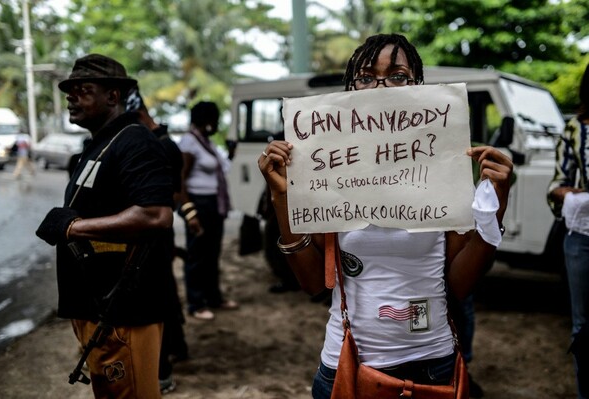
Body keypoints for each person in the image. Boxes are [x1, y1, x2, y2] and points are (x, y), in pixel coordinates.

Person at [258, 33, 513, 399]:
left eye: (397, 76)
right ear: (351, 87)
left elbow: (460, 284)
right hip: (348, 364)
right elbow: (314, 282)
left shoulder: (442, 164)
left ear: (417, 85)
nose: (381, 87)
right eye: (366, 77)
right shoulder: (326, 167)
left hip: (432, 363)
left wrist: (496, 207)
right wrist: (282, 196)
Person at [35, 53, 175, 399]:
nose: (71, 97)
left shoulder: (134, 141)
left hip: (125, 310)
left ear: (113, 96)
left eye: (83, 89)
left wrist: (73, 228)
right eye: (70, 91)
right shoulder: (99, 144)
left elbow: (156, 215)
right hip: (99, 308)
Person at [125, 86, 189, 394]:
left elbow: (172, 199)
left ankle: (161, 370)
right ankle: (175, 350)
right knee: (166, 293)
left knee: (157, 297)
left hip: (154, 237)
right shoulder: (160, 143)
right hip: (158, 235)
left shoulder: (158, 146)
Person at [547, 62, 589, 399]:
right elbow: (557, 185)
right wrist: (570, 194)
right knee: (583, 326)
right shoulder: (574, 130)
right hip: (582, 237)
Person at [177, 101, 238, 320]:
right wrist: (189, 212)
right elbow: (179, 180)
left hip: (213, 204)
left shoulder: (207, 143)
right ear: (207, 120)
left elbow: (222, 169)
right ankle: (195, 303)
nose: (217, 124)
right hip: (198, 204)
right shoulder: (189, 143)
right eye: (215, 119)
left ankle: (214, 298)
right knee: (197, 255)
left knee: (212, 253)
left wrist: (230, 153)